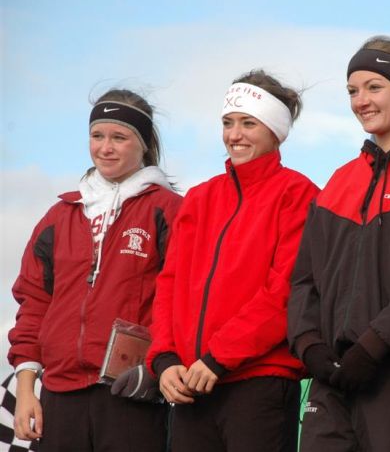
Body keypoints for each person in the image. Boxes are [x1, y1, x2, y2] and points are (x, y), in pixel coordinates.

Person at [288, 36, 390, 452]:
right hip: (331, 381)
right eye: (352, 90)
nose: (361, 100)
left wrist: (374, 346)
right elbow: (305, 279)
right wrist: (309, 346)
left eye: (374, 87)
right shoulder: (339, 181)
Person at [146, 70, 319, 452]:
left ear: (276, 131)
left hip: (260, 382)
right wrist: (165, 358)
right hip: (191, 383)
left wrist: (218, 358)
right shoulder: (199, 199)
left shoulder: (298, 194)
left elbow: (286, 291)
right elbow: (169, 284)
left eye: (248, 124)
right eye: (228, 123)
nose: (234, 135)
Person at [8, 88, 182, 451]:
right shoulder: (58, 217)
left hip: (131, 391)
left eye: (119, 137)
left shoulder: (168, 210)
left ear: (144, 144)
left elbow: (183, 299)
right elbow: (34, 303)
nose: (105, 148)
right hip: (60, 392)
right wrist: (26, 390)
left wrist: (158, 366)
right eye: (97, 136)